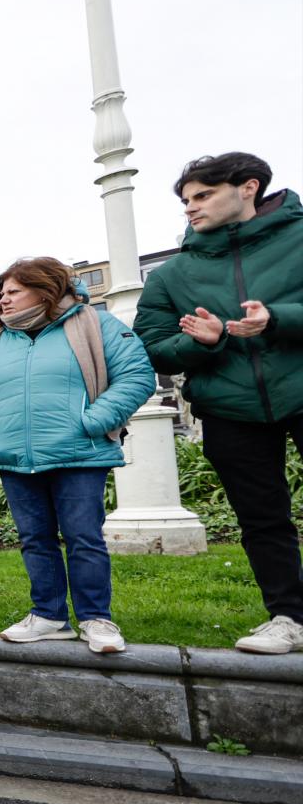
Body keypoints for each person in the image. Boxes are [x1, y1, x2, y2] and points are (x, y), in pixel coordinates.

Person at [134, 153, 303, 655]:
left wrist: (277, 318)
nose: (191, 208)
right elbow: (154, 345)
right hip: (229, 407)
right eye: (186, 199)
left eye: (203, 195)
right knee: (261, 518)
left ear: (248, 187)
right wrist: (204, 343)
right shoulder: (171, 275)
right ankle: (289, 617)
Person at [0, 258, 155, 653]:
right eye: (1, 293)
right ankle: (48, 616)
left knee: (84, 538)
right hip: (13, 455)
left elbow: (137, 374)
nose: (2, 300)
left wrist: (93, 421)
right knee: (35, 540)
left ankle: (96, 619)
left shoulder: (93, 324)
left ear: (44, 291)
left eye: (13, 291)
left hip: (79, 453)